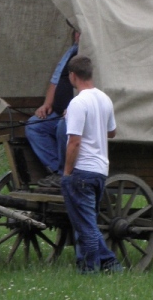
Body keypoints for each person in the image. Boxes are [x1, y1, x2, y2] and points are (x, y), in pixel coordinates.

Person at [60, 55, 123, 273]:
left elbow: (74, 142)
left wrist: (67, 173)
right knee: (87, 222)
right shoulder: (104, 99)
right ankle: (109, 264)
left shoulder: (78, 102)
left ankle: (90, 270)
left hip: (82, 172)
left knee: (85, 226)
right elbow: (112, 132)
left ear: (72, 76)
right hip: (100, 171)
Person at [26, 29, 79, 187]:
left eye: (81, 32)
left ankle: (66, 172)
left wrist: (75, 109)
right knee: (34, 126)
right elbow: (55, 79)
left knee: (64, 127)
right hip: (57, 112)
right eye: (76, 32)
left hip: (77, 116)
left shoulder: (92, 55)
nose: (77, 36)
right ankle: (57, 171)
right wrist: (47, 103)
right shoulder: (71, 52)